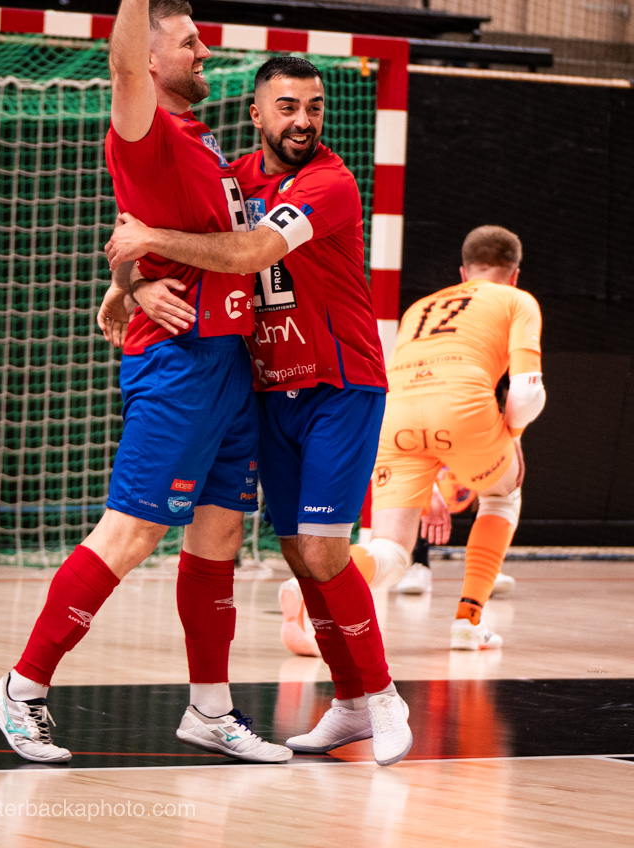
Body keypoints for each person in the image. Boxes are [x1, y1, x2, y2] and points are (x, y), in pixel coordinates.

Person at [0, 0, 291, 765]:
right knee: (129, 532)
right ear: (151, 61)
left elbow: (157, 236)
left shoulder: (201, 139)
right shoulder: (144, 127)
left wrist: (126, 279)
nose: (203, 51)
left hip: (228, 361)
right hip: (179, 363)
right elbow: (122, 65)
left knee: (219, 536)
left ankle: (210, 711)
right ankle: (21, 688)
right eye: (188, 43)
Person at [105, 55, 413, 766]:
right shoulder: (232, 177)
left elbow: (249, 252)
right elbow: (133, 231)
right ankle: (348, 703)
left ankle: (382, 695)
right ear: (256, 114)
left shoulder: (329, 183)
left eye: (314, 106)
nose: (303, 120)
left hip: (339, 385)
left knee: (327, 549)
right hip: (270, 386)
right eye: (287, 107)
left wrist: (151, 245)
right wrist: (134, 284)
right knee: (298, 551)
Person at [346, 225, 545, 649]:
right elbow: (527, 392)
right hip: (464, 410)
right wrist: (510, 437)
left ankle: (307, 586)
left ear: (463, 272)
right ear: (514, 274)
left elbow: (416, 394)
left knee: (390, 552)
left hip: (393, 419)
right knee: (503, 496)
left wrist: (426, 487)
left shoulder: (419, 307)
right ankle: (468, 621)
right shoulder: (517, 299)